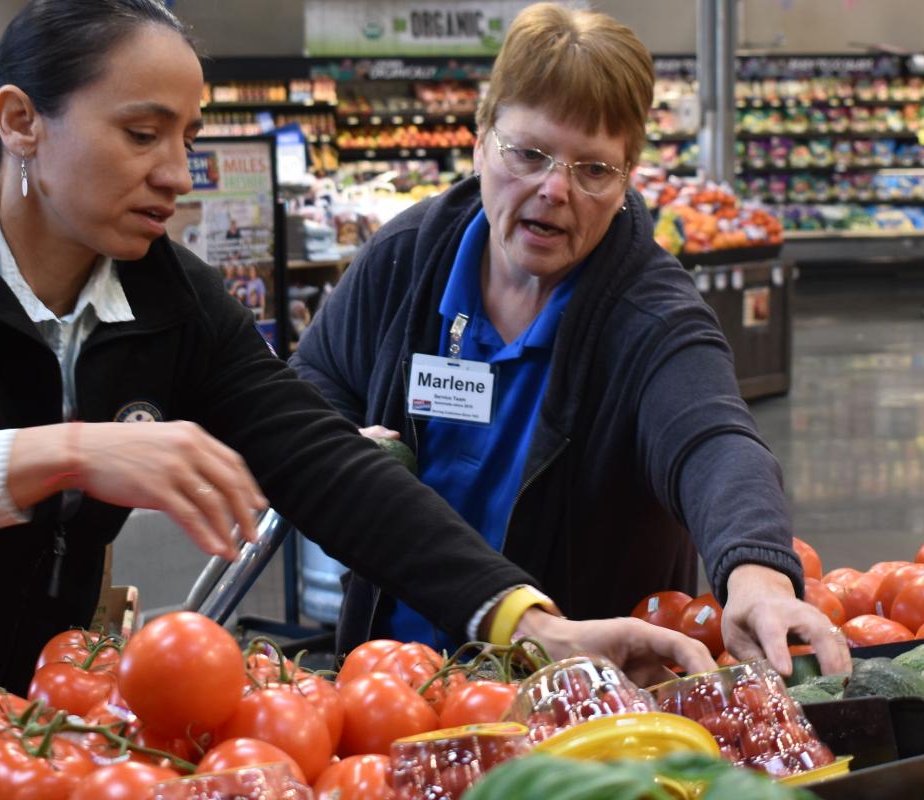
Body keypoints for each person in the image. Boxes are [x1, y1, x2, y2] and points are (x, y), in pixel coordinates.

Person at [0, 2, 710, 796]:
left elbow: (323, 460)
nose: (178, 171)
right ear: (22, 121)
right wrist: (55, 450)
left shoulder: (173, 302)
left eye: (188, 137)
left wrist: (530, 619)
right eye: (142, 133)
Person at [289, 3, 850, 679]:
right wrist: (342, 446)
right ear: (479, 141)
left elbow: (713, 440)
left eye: (594, 169)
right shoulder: (408, 259)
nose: (555, 189)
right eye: (528, 154)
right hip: (390, 676)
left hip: (581, 699)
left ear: (627, 178)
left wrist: (757, 571)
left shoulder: (648, 310)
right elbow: (308, 387)